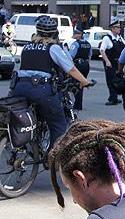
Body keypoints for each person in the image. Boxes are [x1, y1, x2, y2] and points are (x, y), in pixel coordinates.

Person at [10, 16, 91, 146]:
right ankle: (53, 159)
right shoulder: (53, 48)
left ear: (37, 31)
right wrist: (84, 81)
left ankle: (29, 146)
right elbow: (71, 69)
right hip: (40, 89)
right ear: (54, 33)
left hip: (19, 87)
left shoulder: (26, 47)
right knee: (58, 122)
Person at [100, 21, 125, 106]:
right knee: (111, 80)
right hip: (111, 62)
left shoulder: (119, 38)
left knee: (118, 79)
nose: (119, 29)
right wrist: (107, 61)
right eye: (117, 28)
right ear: (112, 29)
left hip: (118, 62)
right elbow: (102, 50)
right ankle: (112, 98)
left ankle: (115, 96)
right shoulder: (107, 38)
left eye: (119, 28)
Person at [68, 28, 92, 112]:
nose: (74, 35)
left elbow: (70, 56)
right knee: (82, 83)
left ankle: (77, 104)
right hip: (86, 65)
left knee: (76, 84)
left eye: (75, 33)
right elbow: (89, 56)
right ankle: (79, 103)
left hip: (78, 65)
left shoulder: (76, 44)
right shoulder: (88, 44)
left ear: (79, 34)